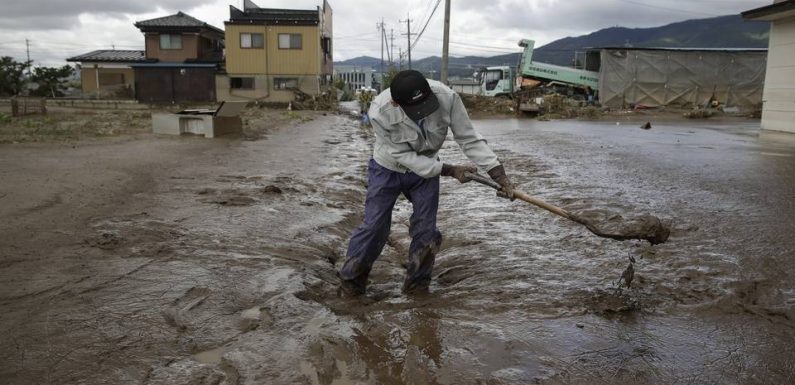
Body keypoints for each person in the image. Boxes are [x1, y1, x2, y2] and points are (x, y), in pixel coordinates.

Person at [338, 70, 515, 296]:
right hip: (388, 168)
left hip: (427, 170)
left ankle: (417, 287)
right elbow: (403, 155)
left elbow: (468, 137)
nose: (421, 113)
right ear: (395, 102)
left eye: (425, 104)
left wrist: (498, 173)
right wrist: (449, 170)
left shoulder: (447, 98)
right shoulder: (379, 111)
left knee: (426, 230)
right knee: (375, 226)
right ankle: (351, 283)